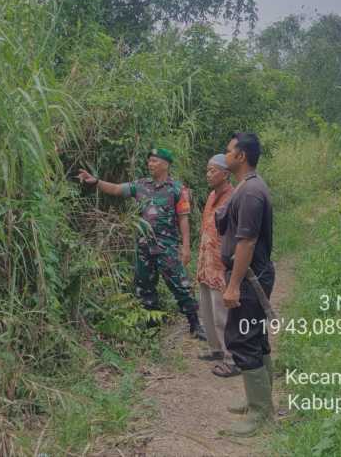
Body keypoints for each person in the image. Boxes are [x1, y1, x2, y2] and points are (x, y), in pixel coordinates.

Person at [77, 148, 206, 340]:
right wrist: (95, 181)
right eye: (149, 161)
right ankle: (152, 327)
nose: (150, 164)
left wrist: (186, 247)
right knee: (144, 286)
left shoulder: (178, 189)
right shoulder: (141, 185)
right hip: (144, 247)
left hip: (167, 247)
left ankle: (195, 324)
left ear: (165, 164)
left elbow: (184, 219)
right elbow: (116, 189)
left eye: (154, 161)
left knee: (180, 285)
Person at [216, 132, 275, 437]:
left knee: (244, 339)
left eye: (228, 151)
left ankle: (260, 412)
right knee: (256, 337)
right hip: (254, 277)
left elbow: (247, 242)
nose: (224, 155)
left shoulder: (251, 192)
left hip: (250, 279)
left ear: (241, 156)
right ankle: (259, 401)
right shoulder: (247, 186)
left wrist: (233, 285)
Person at [196, 154, 239, 375]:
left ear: (226, 174)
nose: (208, 174)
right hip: (206, 263)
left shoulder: (233, 198)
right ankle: (215, 349)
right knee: (207, 310)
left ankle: (231, 359)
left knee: (223, 314)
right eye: (207, 170)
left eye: (213, 171)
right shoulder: (212, 195)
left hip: (221, 265)